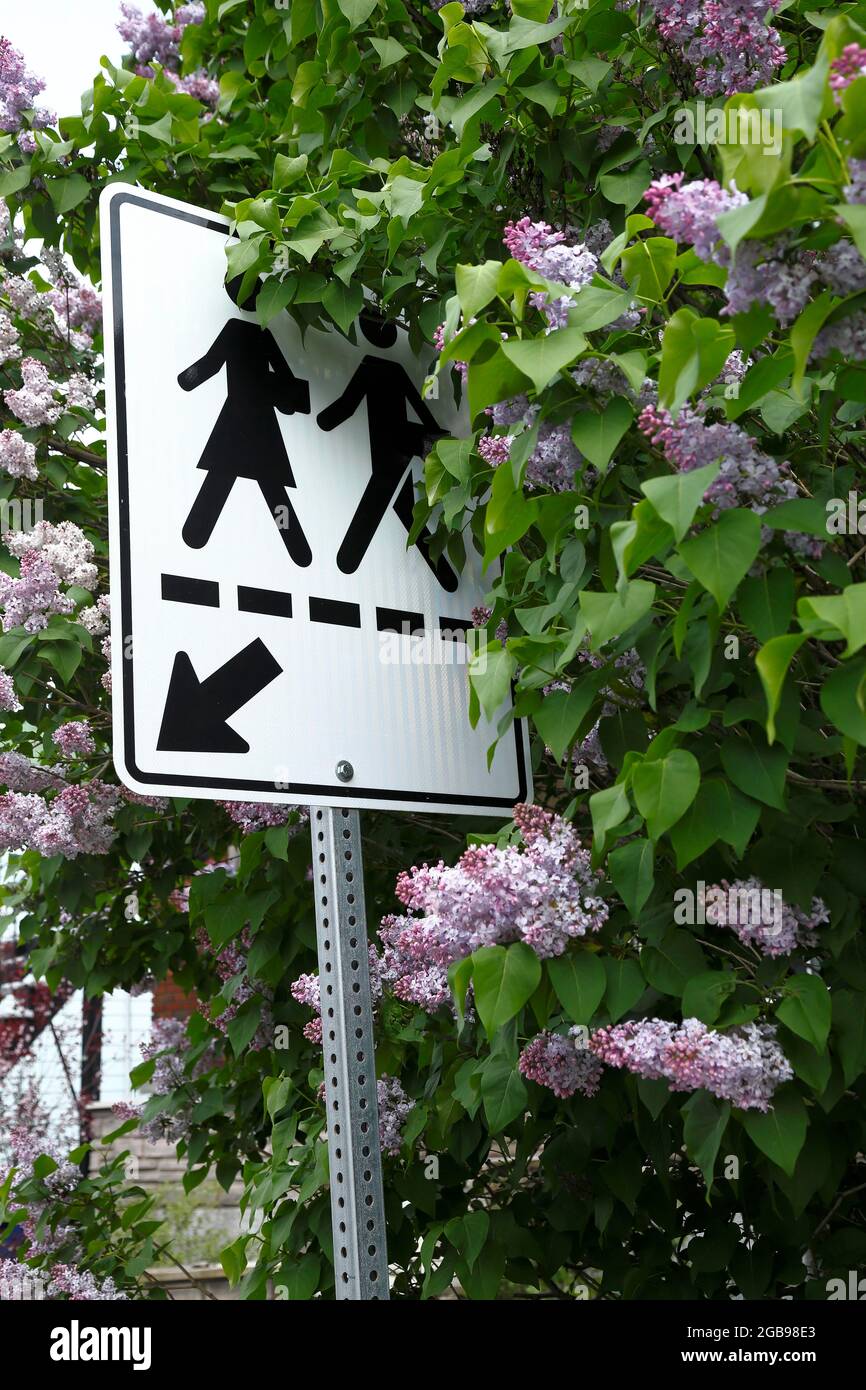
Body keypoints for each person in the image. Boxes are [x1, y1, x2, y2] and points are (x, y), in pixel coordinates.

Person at [317, 315, 458, 591]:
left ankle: (348, 560)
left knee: (382, 501)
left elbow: (346, 406)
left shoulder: (371, 368)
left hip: (390, 447)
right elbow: (423, 412)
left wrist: (325, 419)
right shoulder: (390, 369)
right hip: (400, 446)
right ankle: (444, 576)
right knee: (401, 507)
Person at [178, 275, 312, 565]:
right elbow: (285, 378)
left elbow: (210, 365)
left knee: (230, 473)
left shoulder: (242, 330)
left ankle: (198, 531)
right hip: (259, 417)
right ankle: (295, 544)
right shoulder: (257, 333)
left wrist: (186, 379)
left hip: (241, 413)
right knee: (263, 479)